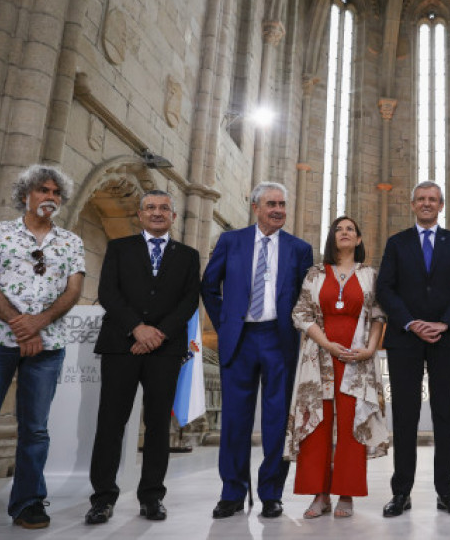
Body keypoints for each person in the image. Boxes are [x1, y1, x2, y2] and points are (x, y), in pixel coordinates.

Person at [85, 190, 200, 524]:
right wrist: (137, 328)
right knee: (111, 422)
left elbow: (189, 300)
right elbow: (108, 291)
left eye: (164, 208)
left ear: (174, 217)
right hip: (121, 345)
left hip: (165, 350)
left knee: (157, 426)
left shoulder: (188, 256)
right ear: (140, 214)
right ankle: (102, 498)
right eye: (151, 207)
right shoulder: (119, 249)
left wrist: (157, 334)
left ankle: (151, 497)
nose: (157, 212)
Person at [201, 181, 314, 519]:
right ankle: (232, 492)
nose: (278, 209)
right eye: (271, 204)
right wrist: (226, 324)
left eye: (282, 203)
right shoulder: (231, 241)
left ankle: (271, 493)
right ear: (256, 207)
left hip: (279, 339)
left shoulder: (299, 248)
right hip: (240, 338)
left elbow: (305, 297)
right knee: (235, 419)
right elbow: (209, 286)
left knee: (277, 420)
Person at [376, 182, 450, 517]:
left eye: (432, 199)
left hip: (446, 340)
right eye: (421, 199)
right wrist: (409, 322)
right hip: (405, 339)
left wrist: (445, 323)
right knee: (405, 416)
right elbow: (385, 289)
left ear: (441, 205)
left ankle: (446, 491)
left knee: (445, 415)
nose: (427, 204)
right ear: (412, 204)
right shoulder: (397, 242)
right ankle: (401, 492)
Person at [285, 216, 389, 519]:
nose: (344, 233)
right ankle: (320, 495)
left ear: (358, 240)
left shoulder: (371, 275)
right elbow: (300, 314)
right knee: (316, 425)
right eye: (338, 229)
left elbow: (379, 314)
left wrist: (370, 349)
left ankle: (346, 492)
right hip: (319, 356)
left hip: (358, 359)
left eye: (351, 230)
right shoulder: (315, 274)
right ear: (332, 238)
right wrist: (328, 344)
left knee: (351, 425)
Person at [0, 165, 84, 529]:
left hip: (47, 346)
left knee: (35, 427)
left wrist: (39, 324)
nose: (50, 197)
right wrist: (22, 327)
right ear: (26, 195)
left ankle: (28, 503)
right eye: (42, 190)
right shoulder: (0, 234)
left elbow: (74, 290)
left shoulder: (71, 242)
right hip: (2, 340)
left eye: (55, 193)